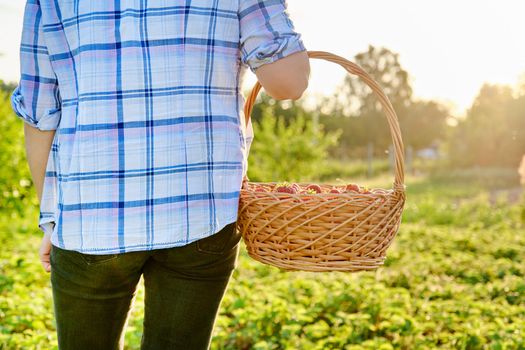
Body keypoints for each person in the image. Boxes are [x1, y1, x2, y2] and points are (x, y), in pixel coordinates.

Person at [10, 0, 310, 349]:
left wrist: (49, 218)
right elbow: (289, 83)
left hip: (89, 213)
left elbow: (39, 112)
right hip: (202, 209)